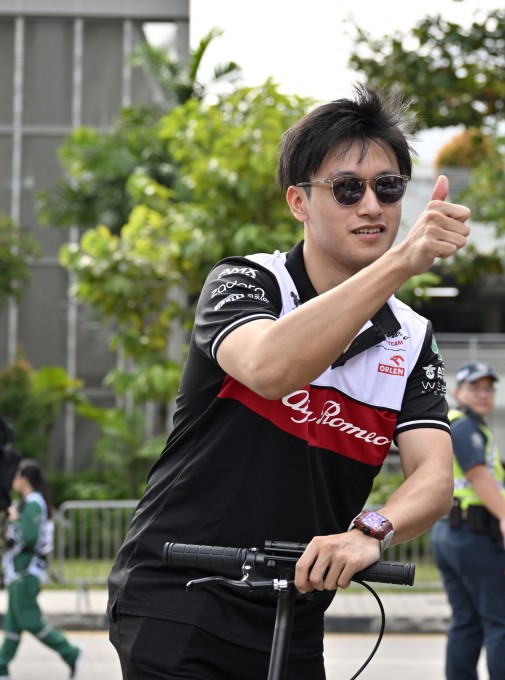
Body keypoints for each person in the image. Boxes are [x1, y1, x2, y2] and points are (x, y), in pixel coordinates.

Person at [107, 85, 470, 678]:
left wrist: (371, 531)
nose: (372, 207)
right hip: (181, 592)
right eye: (347, 189)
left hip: (293, 610)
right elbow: (270, 370)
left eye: (388, 187)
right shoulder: (246, 282)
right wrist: (401, 262)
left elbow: (433, 479)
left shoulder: (411, 335)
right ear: (298, 202)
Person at [432, 362, 505, 680]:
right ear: (458, 392)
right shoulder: (464, 427)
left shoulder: (461, 425)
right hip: (474, 535)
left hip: (452, 532)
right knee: (502, 620)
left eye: (488, 388)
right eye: (475, 388)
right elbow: (478, 475)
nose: (483, 394)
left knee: (466, 621)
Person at [0, 460, 81, 679]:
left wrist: (15, 520)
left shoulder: (34, 503)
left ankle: (70, 652)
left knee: (30, 620)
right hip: (18, 572)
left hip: (26, 573)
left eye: (16, 475)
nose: (13, 479)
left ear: (24, 479)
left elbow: (30, 537)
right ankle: (1, 666)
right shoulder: (27, 502)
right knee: (12, 626)